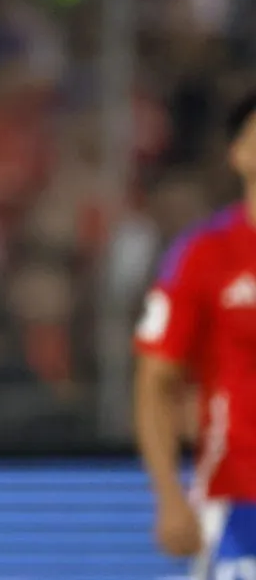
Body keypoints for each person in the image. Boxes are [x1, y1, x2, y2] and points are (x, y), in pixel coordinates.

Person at [135, 91, 256, 578]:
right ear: (239, 153)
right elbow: (156, 381)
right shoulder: (206, 254)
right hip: (240, 495)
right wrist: (168, 495)